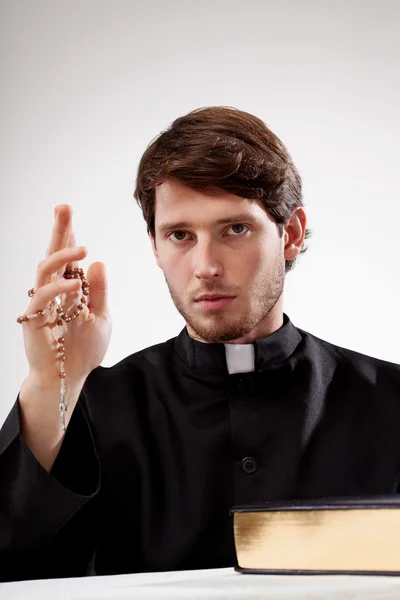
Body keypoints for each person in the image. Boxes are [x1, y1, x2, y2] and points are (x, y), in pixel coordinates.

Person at [1, 106, 400, 583]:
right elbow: (13, 564)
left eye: (235, 229)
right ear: (154, 245)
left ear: (289, 235)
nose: (205, 265)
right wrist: (50, 382)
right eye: (180, 235)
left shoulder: (390, 401)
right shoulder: (92, 406)